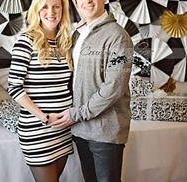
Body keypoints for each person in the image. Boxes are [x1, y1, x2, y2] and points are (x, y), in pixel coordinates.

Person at [50, 0, 134, 182]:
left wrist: (77, 114)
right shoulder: (77, 35)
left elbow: (115, 87)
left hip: (106, 132)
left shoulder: (120, 36)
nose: (87, 1)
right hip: (80, 128)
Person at [7, 0, 73, 181]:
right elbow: (14, 87)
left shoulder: (65, 42)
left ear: (63, 9)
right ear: (36, 10)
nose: (51, 12)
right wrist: (44, 117)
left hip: (63, 129)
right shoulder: (26, 41)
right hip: (38, 129)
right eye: (45, 6)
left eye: (56, 6)